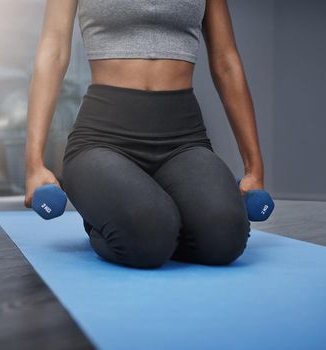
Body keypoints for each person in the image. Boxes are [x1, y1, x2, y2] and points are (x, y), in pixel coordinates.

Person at [23, 0, 265, 269]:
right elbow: (53, 52)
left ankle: (148, 218)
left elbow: (226, 62)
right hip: (103, 142)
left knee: (226, 237)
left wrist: (254, 169)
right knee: (149, 236)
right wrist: (34, 164)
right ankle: (119, 222)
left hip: (183, 141)